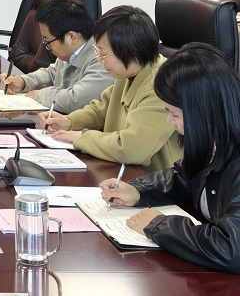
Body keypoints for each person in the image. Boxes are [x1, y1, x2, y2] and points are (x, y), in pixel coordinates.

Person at [100, 43, 240, 273]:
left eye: (174, 114)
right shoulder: (215, 141)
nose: (169, 121)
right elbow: (186, 176)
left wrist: (159, 226)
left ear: (202, 112)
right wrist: (139, 191)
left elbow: (232, 249)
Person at [40, 5, 182, 171]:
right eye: (97, 51)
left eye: (103, 54)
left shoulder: (160, 86)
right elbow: (101, 110)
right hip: (122, 169)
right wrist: (70, 121)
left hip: (155, 178)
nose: (99, 60)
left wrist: (81, 137)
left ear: (130, 52)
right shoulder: (128, 70)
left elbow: (131, 148)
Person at [0, 0, 112, 113]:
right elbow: (52, 74)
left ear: (72, 37)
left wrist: (39, 95)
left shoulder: (102, 58)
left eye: (47, 41)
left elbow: (75, 100)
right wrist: (23, 82)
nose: (46, 47)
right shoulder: (70, 52)